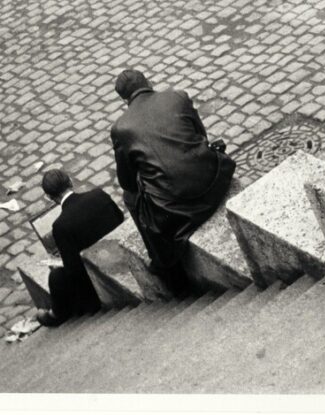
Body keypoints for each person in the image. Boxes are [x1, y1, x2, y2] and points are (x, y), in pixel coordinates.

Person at [110, 70, 235, 293]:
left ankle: (164, 264)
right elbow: (201, 136)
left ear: (124, 99)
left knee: (130, 198)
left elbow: (127, 183)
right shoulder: (177, 96)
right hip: (214, 179)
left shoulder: (121, 128)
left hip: (179, 207)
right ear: (148, 81)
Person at [36, 169, 124, 327]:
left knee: (56, 277)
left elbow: (74, 270)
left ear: (50, 197)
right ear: (70, 181)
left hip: (98, 282)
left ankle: (56, 314)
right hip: (120, 255)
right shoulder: (99, 195)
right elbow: (120, 219)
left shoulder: (60, 226)